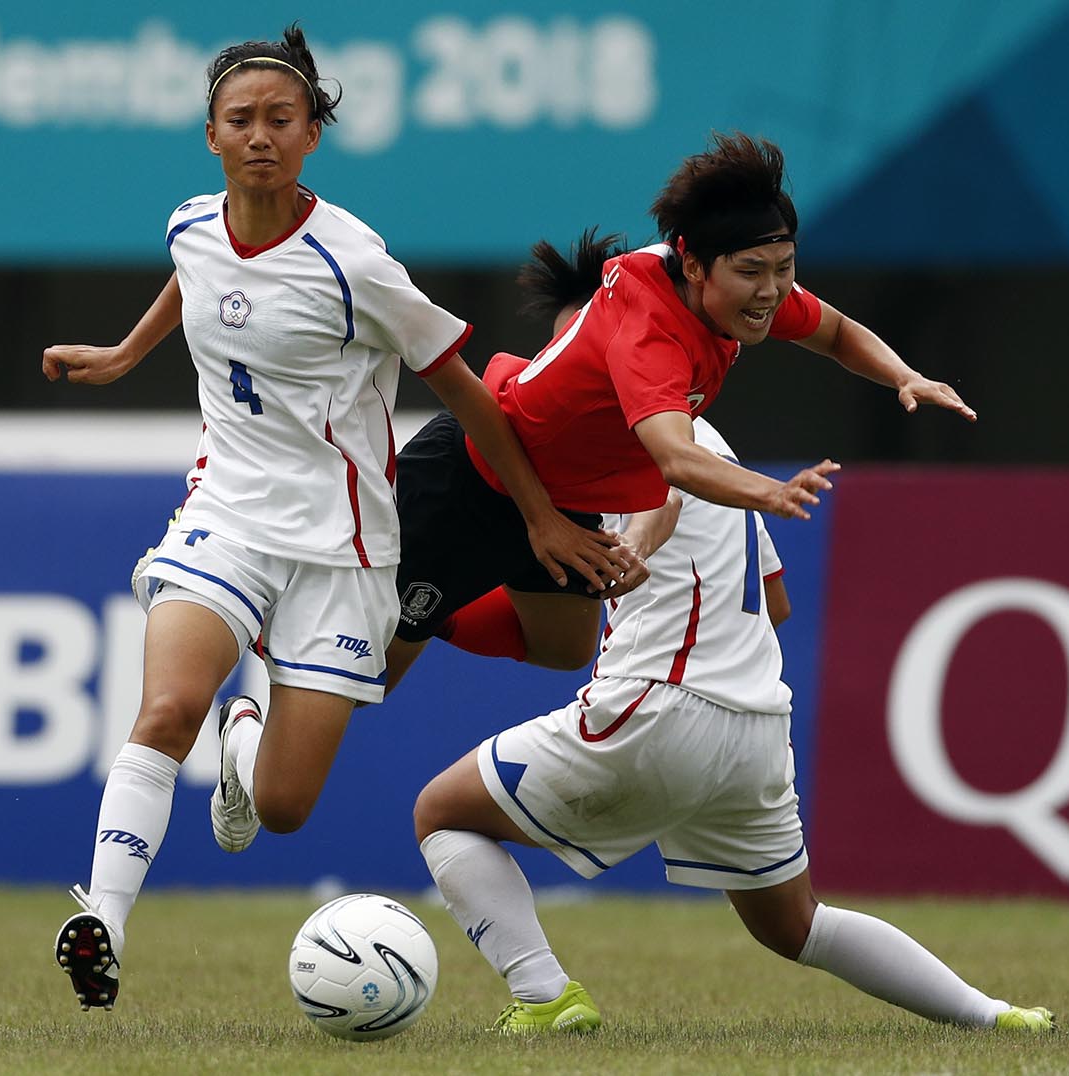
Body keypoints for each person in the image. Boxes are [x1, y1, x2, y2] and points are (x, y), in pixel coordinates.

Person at [41, 24, 630, 1013]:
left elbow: (472, 397)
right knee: (163, 707)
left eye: (283, 118)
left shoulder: (355, 262)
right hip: (222, 516)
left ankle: (244, 745)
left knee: (281, 805)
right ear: (211, 135)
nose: (261, 135)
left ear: (313, 132)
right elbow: (198, 272)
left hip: (346, 551)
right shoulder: (190, 222)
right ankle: (103, 919)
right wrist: (121, 355)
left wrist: (540, 517)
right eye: (242, 121)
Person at [410, 237, 1052, 1033]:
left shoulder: (623, 435)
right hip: (754, 726)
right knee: (798, 925)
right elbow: (774, 602)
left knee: (442, 813)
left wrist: (633, 555)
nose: (573, 358)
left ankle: (545, 999)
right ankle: (994, 1018)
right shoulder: (706, 439)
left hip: (660, 704)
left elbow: (660, 494)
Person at [385, 132, 978, 695]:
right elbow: (674, 460)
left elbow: (837, 331)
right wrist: (769, 494)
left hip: (562, 496)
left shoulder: (732, 284)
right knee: (362, 685)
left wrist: (904, 374)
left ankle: (435, 607)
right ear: (694, 265)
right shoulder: (652, 335)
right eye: (752, 272)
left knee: (563, 649)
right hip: (473, 475)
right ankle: (408, 601)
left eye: (785, 267)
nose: (771, 290)